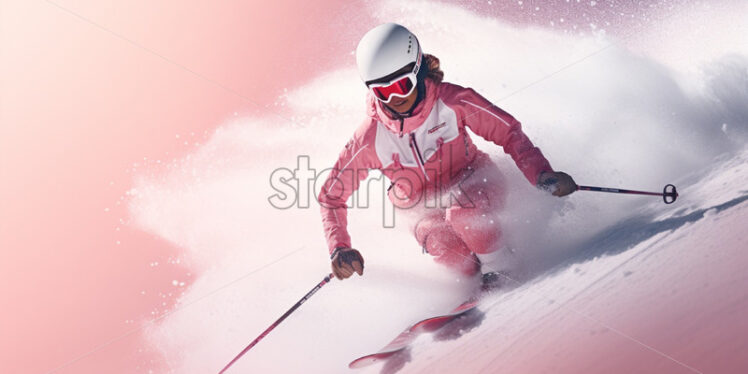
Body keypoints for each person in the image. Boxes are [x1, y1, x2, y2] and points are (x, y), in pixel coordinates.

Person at [318, 23, 576, 289]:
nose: (395, 98)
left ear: (417, 70)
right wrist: (339, 248)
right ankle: (474, 283)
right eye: (383, 92)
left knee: (463, 213)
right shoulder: (370, 138)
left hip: (477, 183)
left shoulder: (453, 102)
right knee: (443, 243)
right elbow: (331, 196)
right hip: (422, 209)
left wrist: (541, 173)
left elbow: (508, 132)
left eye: (402, 85)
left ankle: (502, 267)